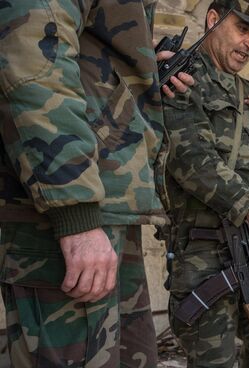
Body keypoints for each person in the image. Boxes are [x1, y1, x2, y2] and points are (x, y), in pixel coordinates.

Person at [0, 0, 192, 366]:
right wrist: (76, 213)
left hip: (107, 208)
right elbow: (32, 55)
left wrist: (140, 68)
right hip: (70, 214)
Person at [162, 0, 249, 366]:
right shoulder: (181, 78)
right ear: (213, 20)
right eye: (242, 29)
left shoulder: (247, 91)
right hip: (204, 250)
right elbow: (190, 161)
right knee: (212, 360)